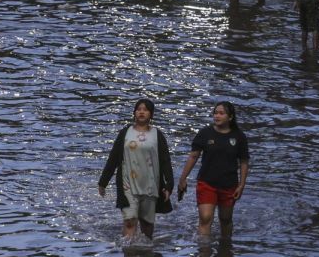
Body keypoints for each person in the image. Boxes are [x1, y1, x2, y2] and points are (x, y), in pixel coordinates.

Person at [98, 99, 174, 241]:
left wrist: (169, 184)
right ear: (134, 113)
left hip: (150, 185)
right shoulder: (125, 132)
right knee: (130, 220)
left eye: (145, 109)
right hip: (127, 184)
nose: (141, 112)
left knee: (147, 223)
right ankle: (128, 256)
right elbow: (113, 158)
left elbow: (165, 161)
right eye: (138, 109)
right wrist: (103, 182)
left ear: (151, 114)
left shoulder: (157, 135)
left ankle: (146, 252)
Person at [176, 102, 249, 239]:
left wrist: (242, 184)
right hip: (206, 182)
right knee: (205, 217)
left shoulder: (239, 136)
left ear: (230, 117)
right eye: (215, 113)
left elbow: (244, 161)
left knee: (225, 219)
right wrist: (183, 178)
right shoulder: (205, 133)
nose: (217, 116)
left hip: (229, 184)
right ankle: (204, 252)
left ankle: (226, 246)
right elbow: (193, 156)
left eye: (221, 113)